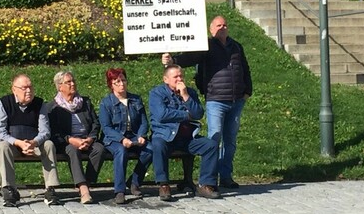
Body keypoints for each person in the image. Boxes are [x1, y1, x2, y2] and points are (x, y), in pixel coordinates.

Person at [162, 15, 252, 189]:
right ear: (211, 30)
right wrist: (173, 61)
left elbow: (245, 68)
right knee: (214, 138)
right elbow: (191, 58)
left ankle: (225, 176)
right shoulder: (207, 46)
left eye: (224, 25)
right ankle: (209, 179)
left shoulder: (236, 47)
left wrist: (248, 91)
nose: (222, 28)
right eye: (218, 25)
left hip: (236, 101)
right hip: (216, 100)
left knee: (230, 142)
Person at [149, 65, 220, 201]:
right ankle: (163, 185)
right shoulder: (157, 93)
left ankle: (206, 184)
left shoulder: (190, 92)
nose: (179, 79)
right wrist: (187, 115)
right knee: (158, 145)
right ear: (166, 79)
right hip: (165, 135)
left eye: (181, 76)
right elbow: (161, 115)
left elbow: (198, 113)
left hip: (187, 137)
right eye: (175, 77)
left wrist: (185, 96)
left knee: (210, 145)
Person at [0, 74, 60, 207]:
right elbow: (0, 132)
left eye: (30, 87)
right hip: (13, 145)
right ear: (14, 89)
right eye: (24, 88)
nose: (29, 91)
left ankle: (50, 189)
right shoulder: (3, 103)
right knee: (2, 146)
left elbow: (45, 131)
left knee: (49, 144)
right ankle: (9, 189)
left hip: (34, 144)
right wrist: (19, 143)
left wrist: (33, 143)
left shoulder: (40, 104)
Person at [48, 71, 105, 204]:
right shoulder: (53, 107)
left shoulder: (85, 102)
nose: (73, 84)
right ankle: (84, 189)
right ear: (60, 86)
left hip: (87, 139)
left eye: (73, 81)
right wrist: (71, 140)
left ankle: (86, 183)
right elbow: (54, 132)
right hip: (67, 142)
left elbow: (95, 123)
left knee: (99, 149)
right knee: (72, 151)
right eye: (68, 82)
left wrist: (90, 138)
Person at [99, 68, 152, 204]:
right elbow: (106, 128)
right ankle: (119, 191)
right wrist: (121, 139)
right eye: (117, 82)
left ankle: (134, 182)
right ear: (111, 85)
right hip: (114, 138)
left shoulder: (136, 99)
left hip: (133, 135)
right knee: (121, 151)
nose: (121, 84)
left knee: (150, 149)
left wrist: (141, 135)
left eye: (123, 80)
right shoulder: (106, 103)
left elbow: (143, 121)